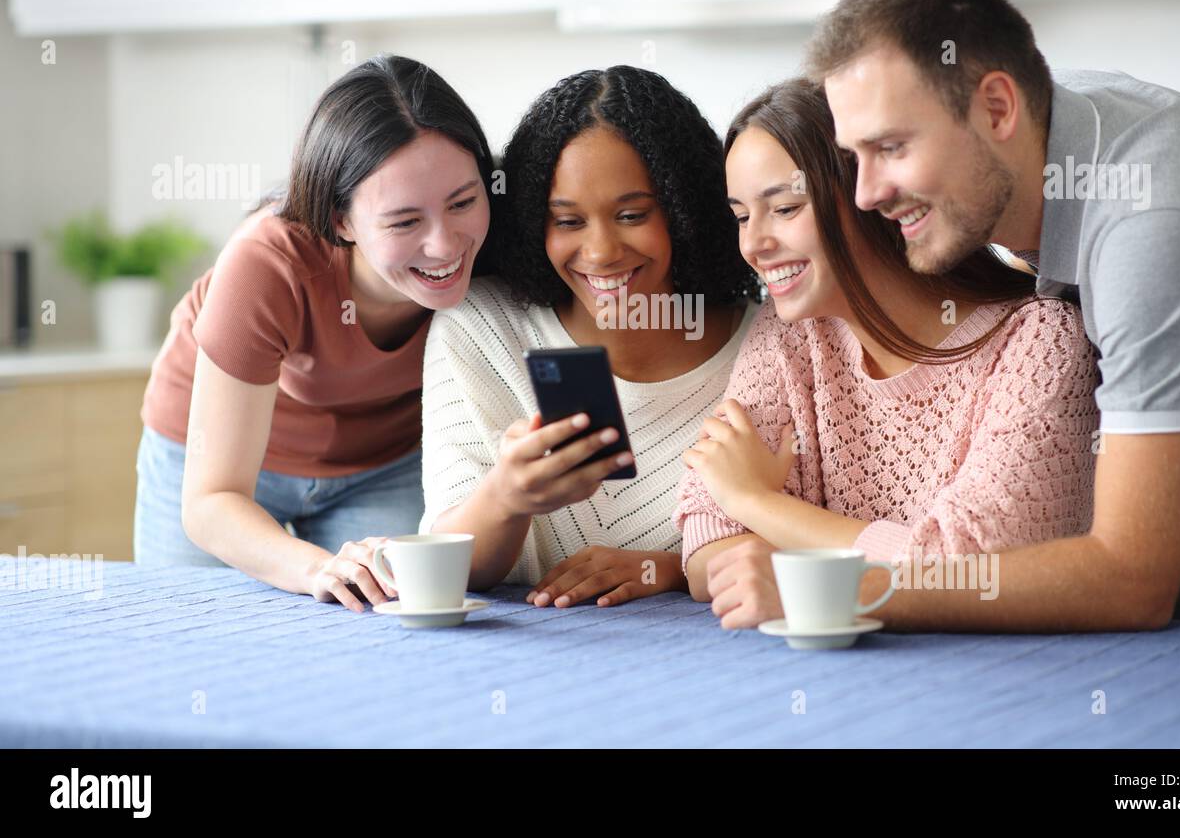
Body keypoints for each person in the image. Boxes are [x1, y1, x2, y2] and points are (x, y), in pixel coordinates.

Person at [703, 0, 1180, 630]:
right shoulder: (1043, 129)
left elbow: (1131, 581)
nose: (865, 193)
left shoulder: (1152, 234)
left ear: (997, 108)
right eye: (854, 155)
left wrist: (831, 590)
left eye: (891, 147)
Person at [676, 79, 1099, 626]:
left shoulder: (1039, 342)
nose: (754, 244)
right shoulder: (791, 336)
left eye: (783, 208)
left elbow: (972, 572)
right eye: (741, 216)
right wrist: (818, 559)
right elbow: (706, 541)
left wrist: (759, 505)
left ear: (875, 197)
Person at [135, 54, 499, 613]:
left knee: (387, 622)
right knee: (192, 633)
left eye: (463, 202)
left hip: (380, 462)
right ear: (340, 220)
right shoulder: (267, 263)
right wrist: (313, 567)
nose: (446, 245)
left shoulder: (500, 246)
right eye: (405, 222)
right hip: (217, 461)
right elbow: (212, 499)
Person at [421, 65, 761, 606]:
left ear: (683, 211)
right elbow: (445, 570)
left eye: (631, 215)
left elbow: (803, 541)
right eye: (568, 221)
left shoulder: (766, 347)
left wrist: (669, 569)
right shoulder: (481, 328)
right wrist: (507, 497)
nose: (601, 252)